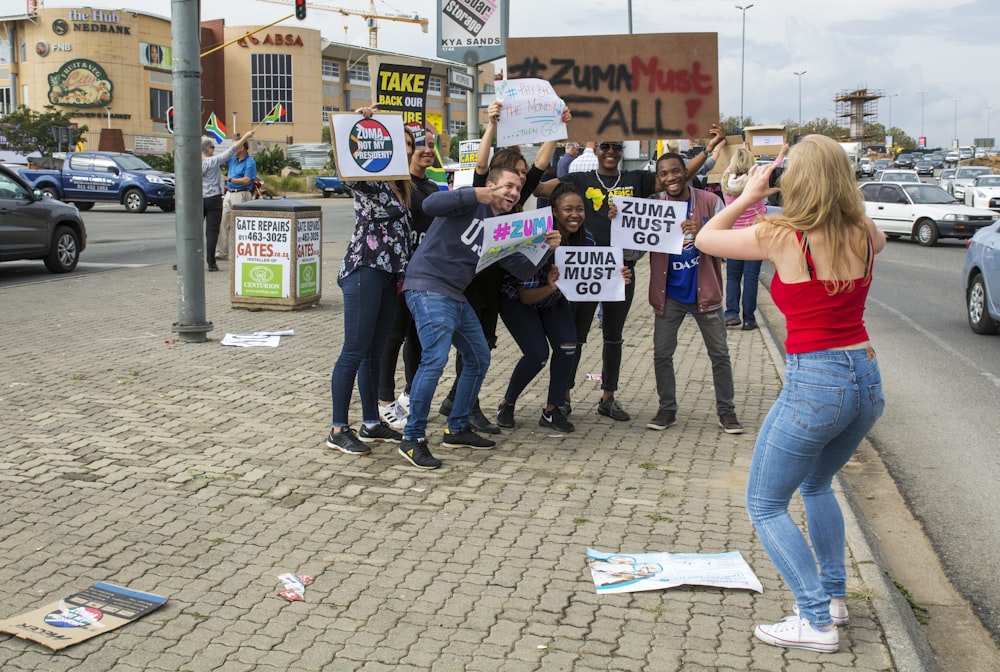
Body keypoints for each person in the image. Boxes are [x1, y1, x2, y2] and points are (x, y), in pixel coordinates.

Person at [695, 134, 886, 653]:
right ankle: (835, 597)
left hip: (817, 381)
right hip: (865, 377)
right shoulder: (867, 231)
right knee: (818, 485)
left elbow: (706, 239)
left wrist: (749, 195)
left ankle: (815, 619)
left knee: (764, 502)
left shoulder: (781, 234)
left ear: (793, 179)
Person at [534, 126, 724, 422]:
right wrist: (547, 144)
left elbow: (679, 175)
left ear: (623, 152)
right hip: (585, 267)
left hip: (621, 271)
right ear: (595, 149)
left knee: (614, 336)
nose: (611, 152)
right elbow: (540, 189)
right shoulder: (579, 179)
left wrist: (708, 150)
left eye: (617, 148)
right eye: (606, 147)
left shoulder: (638, 179)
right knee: (576, 335)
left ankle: (608, 397)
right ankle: (564, 396)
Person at [399, 166, 562, 469]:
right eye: (508, 185)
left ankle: (457, 427)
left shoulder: (505, 226)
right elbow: (428, 205)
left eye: (518, 188)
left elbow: (521, 269)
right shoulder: (470, 201)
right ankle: (412, 439)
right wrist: (476, 193)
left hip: (455, 295)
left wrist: (545, 248)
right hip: (427, 286)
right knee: (435, 359)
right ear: (491, 186)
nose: (513, 192)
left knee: (478, 356)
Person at [437, 99, 564, 434]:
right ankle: (468, 406)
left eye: (524, 176)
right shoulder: (488, 189)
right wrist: (491, 125)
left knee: (485, 341)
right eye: (517, 173)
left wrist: (555, 129)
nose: (523, 178)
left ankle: (458, 400)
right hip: (473, 277)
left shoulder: (519, 196)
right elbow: (481, 163)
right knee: (473, 343)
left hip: (498, 276)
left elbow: (541, 162)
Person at [326, 112, 416, 457]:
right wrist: (359, 126)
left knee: (374, 354)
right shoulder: (370, 180)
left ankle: (371, 423)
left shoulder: (401, 185)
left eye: (409, 145)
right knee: (354, 350)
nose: (405, 150)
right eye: (400, 144)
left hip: (390, 276)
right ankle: (337, 429)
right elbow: (345, 168)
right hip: (364, 268)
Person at [644, 152, 743, 435]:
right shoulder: (654, 207)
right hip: (669, 295)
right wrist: (620, 220)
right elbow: (634, 248)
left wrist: (703, 232)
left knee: (720, 355)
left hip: (705, 294)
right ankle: (667, 409)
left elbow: (729, 243)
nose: (671, 178)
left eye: (676, 171)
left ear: (685, 172)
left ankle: (727, 411)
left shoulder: (710, 202)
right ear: (659, 179)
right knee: (662, 354)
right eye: (663, 174)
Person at [495, 182, 598, 433]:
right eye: (567, 209)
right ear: (554, 212)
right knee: (537, 354)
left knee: (567, 346)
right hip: (519, 299)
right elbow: (526, 295)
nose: (575, 215)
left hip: (553, 299)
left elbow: (594, 276)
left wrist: (617, 277)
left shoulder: (587, 240)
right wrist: (551, 286)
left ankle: (553, 410)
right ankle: (507, 403)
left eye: (580, 209)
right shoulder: (537, 238)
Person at [376, 131, 440, 430]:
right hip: (398, 273)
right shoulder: (396, 186)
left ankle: (412, 395)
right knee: (394, 335)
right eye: (418, 146)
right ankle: (384, 401)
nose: (426, 151)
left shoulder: (433, 186)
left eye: (428, 145)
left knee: (418, 337)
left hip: (424, 274)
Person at [721, 143, 788, 329]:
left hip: (733, 235)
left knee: (733, 277)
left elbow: (731, 167)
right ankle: (749, 319)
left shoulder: (726, 181)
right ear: (751, 164)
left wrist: (742, 150)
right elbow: (772, 167)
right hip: (754, 236)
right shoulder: (755, 182)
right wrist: (781, 153)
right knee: (750, 278)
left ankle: (731, 314)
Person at [201, 128, 254, 272]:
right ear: (207, 149)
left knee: (192, 231)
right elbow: (231, 150)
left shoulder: (193, 163)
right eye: (212, 147)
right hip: (213, 199)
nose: (214, 150)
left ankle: (186, 260)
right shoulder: (213, 161)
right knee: (212, 231)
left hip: (198, 199)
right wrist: (246, 136)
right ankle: (211, 262)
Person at [217, 139, 257, 261]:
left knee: (240, 224)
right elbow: (221, 158)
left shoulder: (250, 162)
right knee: (224, 222)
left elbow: (247, 180)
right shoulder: (232, 159)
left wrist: (229, 179)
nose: (233, 148)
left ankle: (241, 252)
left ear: (242, 148)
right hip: (229, 193)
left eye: (235, 146)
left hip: (241, 194)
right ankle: (221, 252)